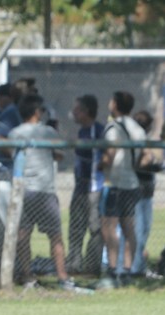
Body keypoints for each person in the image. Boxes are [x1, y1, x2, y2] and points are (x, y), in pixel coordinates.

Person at [8, 95, 77, 291]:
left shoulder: (14, 133)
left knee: (23, 235)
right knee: (55, 236)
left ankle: (27, 275)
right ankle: (62, 276)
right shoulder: (48, 132)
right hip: (45, 191)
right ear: (37, 112)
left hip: (24, 191)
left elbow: (9, 152)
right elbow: (59, 154)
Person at [98, 91, 145, 287]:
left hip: (114, 183)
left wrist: (100, 165)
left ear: (115, 104)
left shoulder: (113, 129)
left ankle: (111, 270)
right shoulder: (138, 129)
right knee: (129, 228)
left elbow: (109, 155)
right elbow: (143, 158)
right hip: (132, 182)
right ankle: (126, 270)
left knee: (108, 226)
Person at [66, 95, 105, 278]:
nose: (74, 113)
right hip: (79, 187)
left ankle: (92, 267)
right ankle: (73, 264)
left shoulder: (97, 131)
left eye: (78, 110)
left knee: (96, 228)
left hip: (93, 188)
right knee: (75, 227)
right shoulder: (81, 131)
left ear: (87, 112)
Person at [129, 110, 165, 279]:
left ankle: (139, 266)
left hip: (147, 193)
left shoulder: (144, 141)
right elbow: (138, 164)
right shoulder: (136, 140)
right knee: (138, 230)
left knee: (144, 230)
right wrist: (152, 165)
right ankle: (134, 268)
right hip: (138, 192)